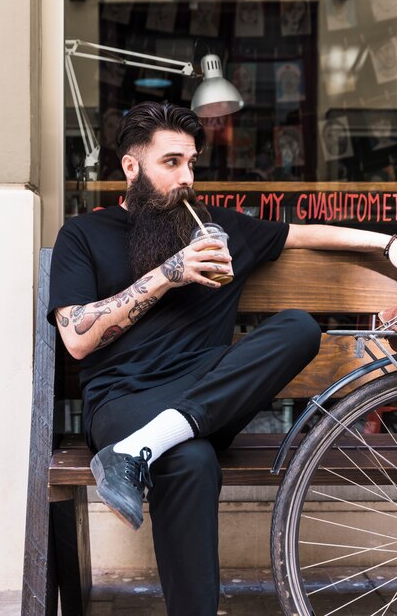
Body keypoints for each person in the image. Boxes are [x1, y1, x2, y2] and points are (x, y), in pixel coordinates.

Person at [48, 101, 397, 616]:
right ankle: (152, 446)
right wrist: (171, 272)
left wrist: (388, 241)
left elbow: (300, 234)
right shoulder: (82, 235)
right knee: (188, 457)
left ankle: (147, 445)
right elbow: (76, 340)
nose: (186, 177)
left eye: (191, 164)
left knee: (298, 327)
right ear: (130, 166)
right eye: (171, 163)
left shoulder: (217, 227)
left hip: (209, 396)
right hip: (124, 403)